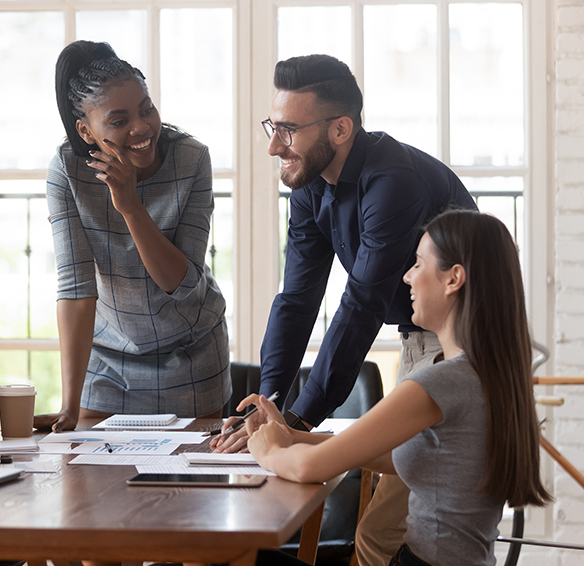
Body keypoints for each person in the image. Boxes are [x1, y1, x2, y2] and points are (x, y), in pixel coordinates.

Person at [210, 54, 477, 566]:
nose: (272, 146)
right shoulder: (309, 186)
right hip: (420, 341)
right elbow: (298, 298)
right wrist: (266, 404)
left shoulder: (391, 181)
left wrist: (297, 420)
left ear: (339, 128)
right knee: (380, 531)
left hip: (462, 347)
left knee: (382, 531)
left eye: (288, 130)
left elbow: (360, 305)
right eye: (272, 125)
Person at [243, 209, 551, 566]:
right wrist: (290, 436)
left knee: (230, 558)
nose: (406, 276)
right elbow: (395, 454)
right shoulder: (485, 374)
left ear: (454, 279)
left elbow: (308, 469)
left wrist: (268, 451)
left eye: (418, 264)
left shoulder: (438, 383)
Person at [34, 40, 231, 432]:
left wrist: (130, 206)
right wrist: (69, 406)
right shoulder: (68, 171)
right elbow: (75, 288)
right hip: (109, 363)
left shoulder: (191, 159)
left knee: (188, 488)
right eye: (119, 121)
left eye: (147, 109)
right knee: (91, 485)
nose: (141, 128)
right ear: (86, 131)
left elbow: (180, 282)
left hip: (191, 356)